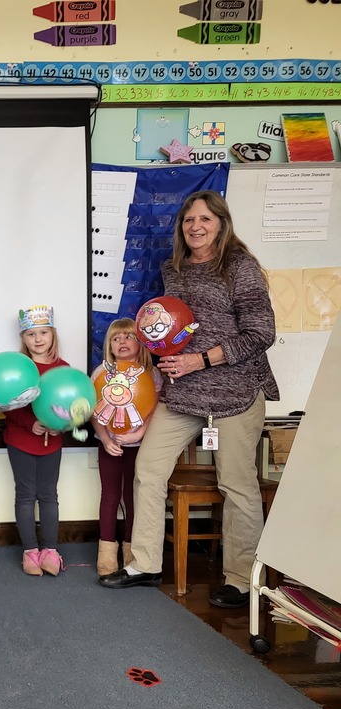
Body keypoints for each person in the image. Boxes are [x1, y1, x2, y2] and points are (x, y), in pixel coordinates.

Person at [99, 190, 278, 608]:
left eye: (205, 219)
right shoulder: (174, 269)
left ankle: (240, 579)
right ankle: (145, 564)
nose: (195, 227)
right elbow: (173, 326)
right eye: (188, 220)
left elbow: (261, 333)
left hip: (236, 391)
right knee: (148, 468)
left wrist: (201, 360)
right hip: (184, 393)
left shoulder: (240, 267)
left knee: (236, 484)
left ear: (221, 223)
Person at [89, 319, 162, 576]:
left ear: (141, 342)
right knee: (109, 496)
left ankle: (132, 554)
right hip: (109, 445)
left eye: (128, 337)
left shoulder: (152, 374)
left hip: (140, 446)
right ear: (109, 344)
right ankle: (106, 553)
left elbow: (155, 409)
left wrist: (138, 434)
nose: (121, 342)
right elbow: (93, 411)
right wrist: (106, 440)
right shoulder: (101, 372)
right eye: (115, 338)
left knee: (134, 498)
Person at [5, 305, 69, 577]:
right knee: (25, 495)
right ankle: (30, 550)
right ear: (23, 338)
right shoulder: (19, 368)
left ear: (53, 334)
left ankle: (51, 550)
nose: (38, 339)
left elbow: (70, 405)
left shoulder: (63, 369)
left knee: (49, 495)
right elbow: (10, 403)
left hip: (51, 442)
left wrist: (60, 426)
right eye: (31, 334)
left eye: (43, 332)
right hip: (21, 440)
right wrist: (31, 423)